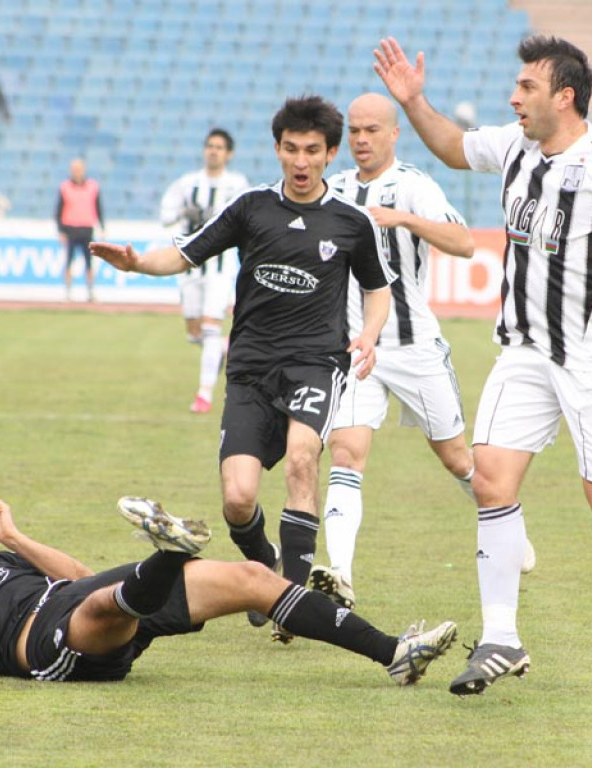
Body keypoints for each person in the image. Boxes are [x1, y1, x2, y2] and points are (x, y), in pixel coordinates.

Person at [374, 35, 592, 695]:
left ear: (565, 97)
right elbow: (453, 147)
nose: (513, 97)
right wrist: (412, 102)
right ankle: (502, 639)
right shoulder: (515, 147)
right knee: (491, 480)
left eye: (527, 87)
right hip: (523, 349)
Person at [91, 96, 396, 644]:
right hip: (251, 368)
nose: (300, 161)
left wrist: (369, 336)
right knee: (237, 499)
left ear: (330, 154)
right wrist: (137, 263)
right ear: (277, 149)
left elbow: (378, 290)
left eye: (312, 151)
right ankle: (265, 558)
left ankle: (290, 603)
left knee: (303, 459)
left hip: (315, 364)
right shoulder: (251, 207)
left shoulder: (351, 222)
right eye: (290, 149)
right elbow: (184, 254)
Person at [0, 492, 457, 684]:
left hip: (72, 595)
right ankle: (166, 554)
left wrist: (13, 536)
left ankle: (395, 654)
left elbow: (71, 574)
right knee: (107, 603)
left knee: (254, 579)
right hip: (49, 643)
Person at [307, 92, 535, 613]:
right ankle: (341, 573)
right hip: (357, 347)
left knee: (456, 458)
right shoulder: (333, 189)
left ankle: (511, 530)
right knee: (345, 452)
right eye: (355, 131)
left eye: (372, 130)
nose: (362, 140)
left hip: (415, 350)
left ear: (393, 134)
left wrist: (404, 219)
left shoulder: (413, 185)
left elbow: (463, 242)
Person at [159, 128, 251, 412]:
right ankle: (222, 349)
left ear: (229, 154)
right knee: (195, 333)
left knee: (211, 327)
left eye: (219, 147)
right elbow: (165, 215)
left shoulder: (237, 185)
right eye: (210, 146)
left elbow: (247, 219)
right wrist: (183, 212)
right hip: (190, 268)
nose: (213, 151)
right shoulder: (187, 183)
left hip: (220, 269)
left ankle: (204, 395)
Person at [56, 158, 105, 302]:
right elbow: (58, 211)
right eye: (74, 169)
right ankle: (68, 292)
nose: (77, 172)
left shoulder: (92, 187)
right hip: (70, 229)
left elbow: (98, 208)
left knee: (89, 263)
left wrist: (102, 227)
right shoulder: (65, 187)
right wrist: (61, 230)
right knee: (69, 262)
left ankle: (90, 292)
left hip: (87, 229)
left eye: (79, 169)